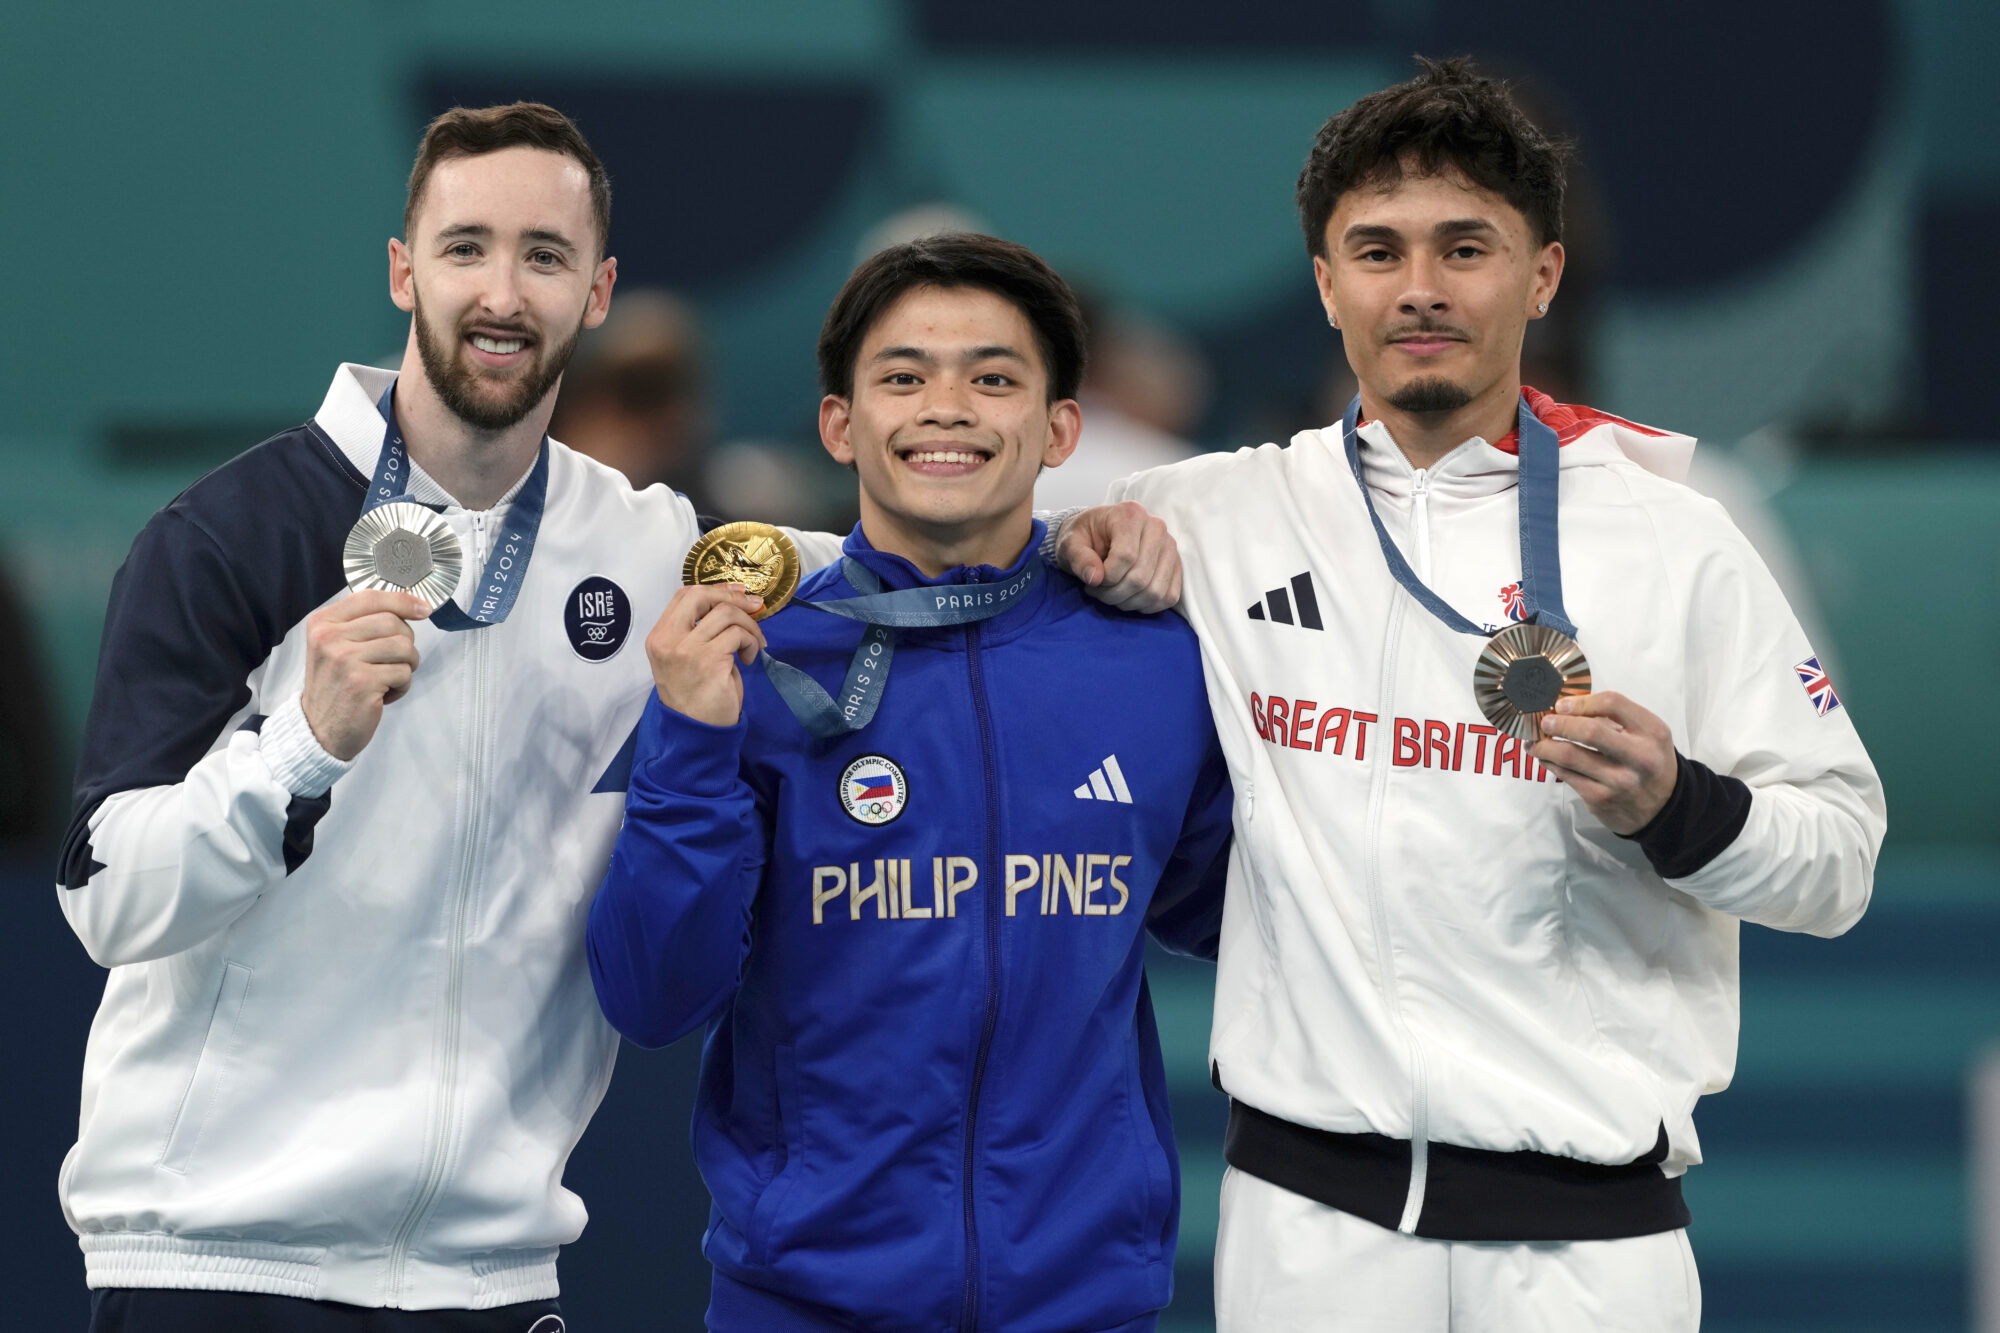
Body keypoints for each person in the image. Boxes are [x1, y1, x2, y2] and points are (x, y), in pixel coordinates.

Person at [54, 102, 1178, 1332]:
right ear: (401, 269)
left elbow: (901, 541)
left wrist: (1075, 536)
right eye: (465, 247)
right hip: (215, 1255)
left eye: (543, 256)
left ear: (596, 291)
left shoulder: (646, 544)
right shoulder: (230, 536)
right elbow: (107, 897)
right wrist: (300, 751)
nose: (501, 291)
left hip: (488, 1268)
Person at [1085, 58, 1885, 1330]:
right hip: (1307, 1232)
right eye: (1376, 249)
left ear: (1541, 275)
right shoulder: (1217, 514)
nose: (1418, 289)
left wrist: (1678, 807)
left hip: (1590, 1241)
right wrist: (1084, 549)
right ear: (1324, 282)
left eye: (1465, 247)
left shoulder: (1680, 536)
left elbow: (1839, 860)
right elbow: (930, 541)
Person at [586, 233, 1234, 1333]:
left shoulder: (1153, 656)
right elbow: (652, 996)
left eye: (992, 377)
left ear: (1059, 427)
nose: (947, 406)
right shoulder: (752, 658)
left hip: (1085, 1305)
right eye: (901, 376)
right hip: (803, 1302)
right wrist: (691, 742)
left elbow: (1231, 910)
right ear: (838, 422)